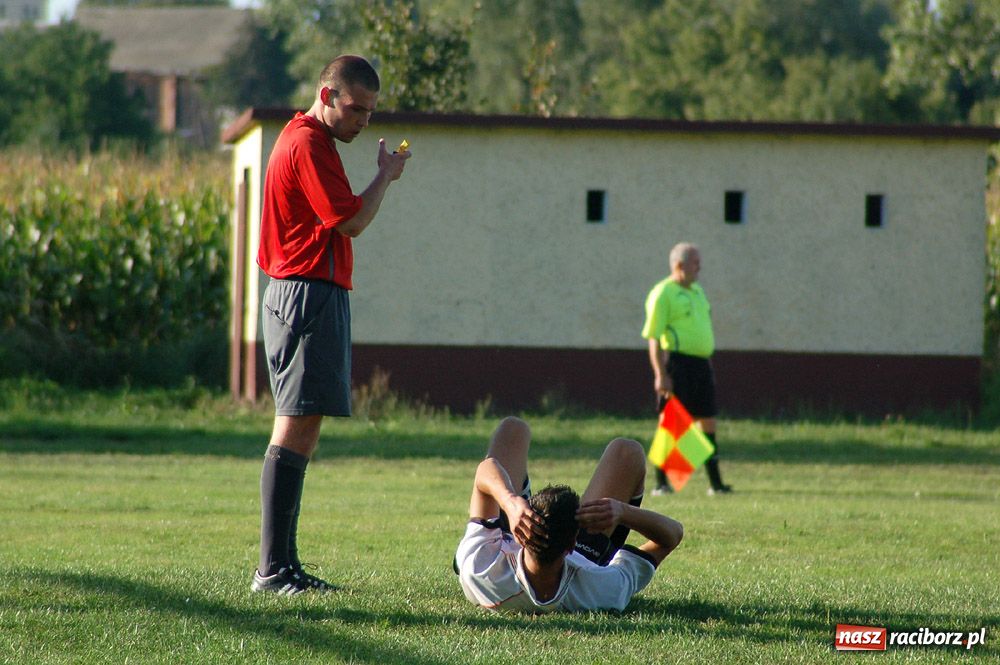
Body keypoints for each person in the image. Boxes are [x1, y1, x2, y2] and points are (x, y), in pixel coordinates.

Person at [251, 55, 410, 594]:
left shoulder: (310, 141)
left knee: (304, 425)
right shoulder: (309, 144)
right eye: (356, 108)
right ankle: (272, 570)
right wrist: (385, 177)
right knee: (294, 424)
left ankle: (284, 566)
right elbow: (352, 221)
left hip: (312, 294)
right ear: (327, 96)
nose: (363, 121)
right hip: (305, 295)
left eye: (370, 111)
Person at [455, 417, 684, 613]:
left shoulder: (481, 568)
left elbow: (485, 470)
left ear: (521, 536)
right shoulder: (601, 589)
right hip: (584, 557)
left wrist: (510, 501)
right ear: (572, 543)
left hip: (508, 544)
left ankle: (520, 496)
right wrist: (622, 512)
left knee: (512, 429)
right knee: (627, 451)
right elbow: (672, 534)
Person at [642, 242, 732, 496]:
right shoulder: (663, 293)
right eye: (695, 263)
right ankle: (661, 482)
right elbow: (654, 338)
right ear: (679, 265)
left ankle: (716, 484)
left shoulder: (697, 291)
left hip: (701, 365)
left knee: (708, 420)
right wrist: (661, 374)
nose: (699, 267)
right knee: (671, 422)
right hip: (678, 364)